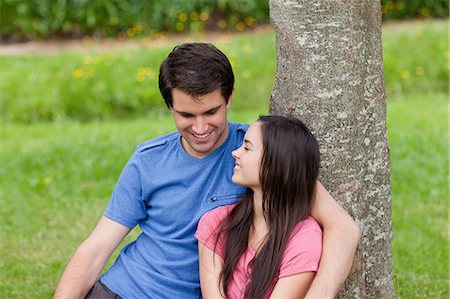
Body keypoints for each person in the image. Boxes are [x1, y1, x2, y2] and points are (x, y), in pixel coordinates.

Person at [54, 43, 360, 299]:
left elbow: (343, 228)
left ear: (229, 97)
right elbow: (95, 250)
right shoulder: (148, 161)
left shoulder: (259, 155)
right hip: (124, 289)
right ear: (169, 107)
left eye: (211, 112)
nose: (200, 128)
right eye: (186, 115)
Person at [196, 115, 322, 299]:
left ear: (276, 164)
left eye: (247, 148)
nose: (235, 152)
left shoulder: (304, 238)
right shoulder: (216, 223)